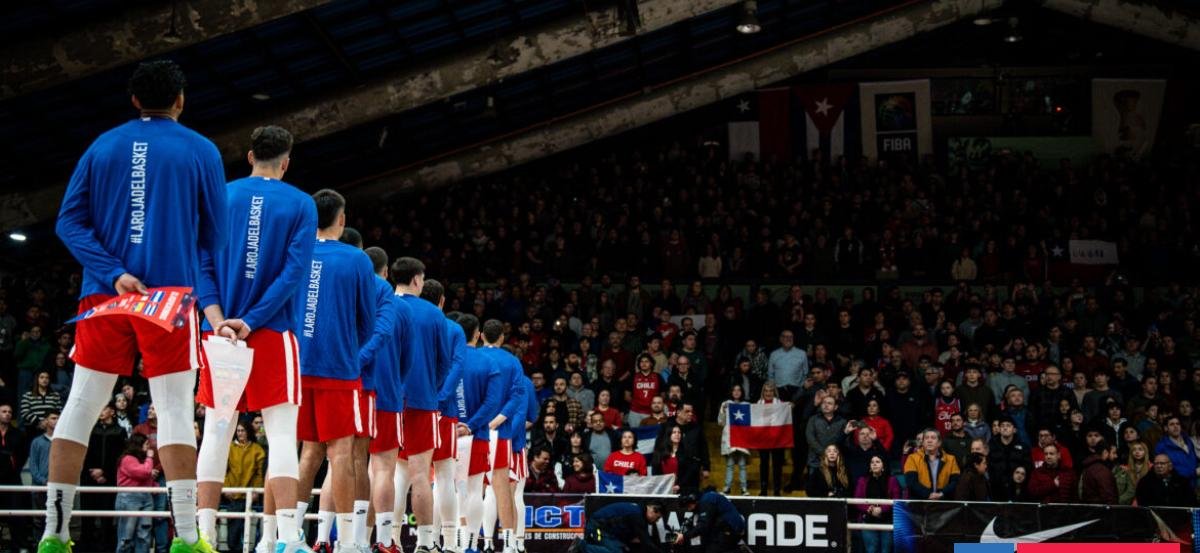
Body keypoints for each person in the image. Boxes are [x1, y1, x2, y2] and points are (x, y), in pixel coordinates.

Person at [47, 59, 228, 553]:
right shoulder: (201, 150)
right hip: (170, 297)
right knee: (172, 410)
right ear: (181, 100)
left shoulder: (101, 145)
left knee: (81, 404)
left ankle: (53, 534)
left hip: (106, 296)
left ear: (133, 100)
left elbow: (69, 223)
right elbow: (216, 235)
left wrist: (113, 272)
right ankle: (188, 539)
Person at [191, 125, 316, 553]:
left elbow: (200, 263)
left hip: (218, 333)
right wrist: (251, 320)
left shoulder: (220, 195)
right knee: (282, 436)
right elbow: (294, 273)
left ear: (249, 157)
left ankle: (201, 538)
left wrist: (218, 318)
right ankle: (287, 539)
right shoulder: (301, 203)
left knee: (215, 434)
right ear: (286, 162)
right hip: (271, 334)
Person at [291, 189, 377, 553]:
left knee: (301, 455)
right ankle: (347, 543)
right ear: (341, 220)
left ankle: (285, 536)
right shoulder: (357, 260)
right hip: (338, 368)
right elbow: (368, 322)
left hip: (296, 365)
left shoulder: (294, 251)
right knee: (340, 454)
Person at [392, 256, 453, 553]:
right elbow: (444, 363)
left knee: (383, 473)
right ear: (418, 279)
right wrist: (431, 386)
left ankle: (384, 539)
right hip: (422, 400)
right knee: (419, 475)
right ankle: (426, 542)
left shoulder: (383, 306)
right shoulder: (433, 314)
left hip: (386, 401)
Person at [473, 319, 529, 553]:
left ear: (482, 336)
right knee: (503, 488)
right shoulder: (512, 361)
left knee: (473, 488)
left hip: (472, 430)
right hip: (501, 434)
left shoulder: (472, 356)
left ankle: (467, 542)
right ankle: (508, 545)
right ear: (502, 338)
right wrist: (499, 419)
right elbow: (517, 395)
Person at [222, 422, 265, 553]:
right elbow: (223, 470)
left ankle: (237, 548)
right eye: (238, 431)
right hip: (231, 492)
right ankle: (235, 548)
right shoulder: (229, 448)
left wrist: (256, 491)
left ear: (248, 432)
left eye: (243, 430)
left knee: (242, 525)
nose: (240, 433)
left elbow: (259, 473)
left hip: (249, 493)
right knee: (234, 524)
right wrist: (225, 488)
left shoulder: (257, 450)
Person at [116, 433, 158, 553]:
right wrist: (150, 458)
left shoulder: (142, 460)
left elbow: (144, 476)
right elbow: (142, 473)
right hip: (130, 497)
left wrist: (155, 486)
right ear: (138, 445)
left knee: (144, 534)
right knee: (126, 536)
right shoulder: (127, 459)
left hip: (146, 497)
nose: (148, 447)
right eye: (146, 444)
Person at [853, 454, 901, 553]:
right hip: (868, 520)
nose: (874, 464)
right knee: (871, 550)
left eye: (878, 462)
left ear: (883, 465)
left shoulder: (892, 480)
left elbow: (896, 499)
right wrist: (870, 509)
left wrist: (881, 509)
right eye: (872, 462)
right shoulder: (862, 480)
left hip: (887, 520)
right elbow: (857, 500)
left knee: (886, 550)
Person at [677, 490, 747, 553]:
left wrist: (684, 536)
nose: (688, 509)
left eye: (688, 506)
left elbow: (703, 525)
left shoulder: (706, 501)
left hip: (730, 528)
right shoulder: (706, 499)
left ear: (693, 500)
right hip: (729, 528)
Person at [581, 501, 665, 553]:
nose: (656, 521)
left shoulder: (638, 512)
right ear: (653, 510)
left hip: (606, 531)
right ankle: (581, 547)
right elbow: (646, 542)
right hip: (597, 528)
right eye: (657, 517)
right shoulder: (636, 515)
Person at [903, 429, 961, 499]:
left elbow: (955, 482)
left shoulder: (951, 459)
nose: (929, 441)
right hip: (920, 503)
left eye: (933, 438)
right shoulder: (912, 458)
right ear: (923, 442)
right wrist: (928, 494)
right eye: (926, 438)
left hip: (944, 503)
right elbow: (911, 482)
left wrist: (942, 493)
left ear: (939, 443)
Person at [756, 382, 789, 496]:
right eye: (766, 390)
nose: (768, 393)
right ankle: (763, 489)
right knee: (763, 464)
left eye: (770, 391)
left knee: (777, 465)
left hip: (777, 439)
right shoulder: (758, 404)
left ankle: (776, 489)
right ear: (763, 392)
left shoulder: (781, 404)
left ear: (774, 392)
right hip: (763, 439)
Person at [717, 385, 750, 495]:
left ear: (742, 392)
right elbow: (720, 422)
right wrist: (723, 411)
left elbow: (752, 422)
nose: (736, 392)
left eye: (739, 390)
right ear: (731, 392)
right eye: (734, 390)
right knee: (730, 464)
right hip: (729, 437)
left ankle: (744, 489)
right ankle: (727, 488)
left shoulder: (747, 405)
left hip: (742, 438)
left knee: (742, 464)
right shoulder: (726, 404)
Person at [652, 425, 700, 494]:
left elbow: (689, 473)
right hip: (663, 489)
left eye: (679, 432)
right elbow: (655, 472)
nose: (677, 434)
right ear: (668, 435)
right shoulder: (660, 452)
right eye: (674, 432)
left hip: (682, 489)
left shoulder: (686, 452)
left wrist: (679, 486)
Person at [1153, 415, 1199, 485]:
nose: (1176, 426)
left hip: (1195, 483)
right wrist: (1194, 472)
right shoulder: (1161, 446)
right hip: (1178, 486)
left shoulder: (1188, 440)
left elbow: (1193, 459)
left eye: (1178, 424)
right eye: (1172, 424)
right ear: (1166, 428)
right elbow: (1163, 470)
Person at [20, 369, 62, 435]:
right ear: (37, 379)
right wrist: (39, 422)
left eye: (47, 378)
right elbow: (25, 412)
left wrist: (48, 422)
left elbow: (58, 410)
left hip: (51, 428)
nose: (44, 380)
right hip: (33, 429)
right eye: (42, 377)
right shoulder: (27, 395)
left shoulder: (55, 395)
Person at [1078, 439, 1118, 505]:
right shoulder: (1101, 471)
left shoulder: (1090, 467)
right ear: (1105, 452)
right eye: (1113, 453)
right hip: (1102, 513)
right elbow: (1109, 499)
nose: (1116, 456)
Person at [1114, 441, 1150, 505]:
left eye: (1140, 449)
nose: (1137, 452)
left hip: (1145, 501)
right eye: (1134, 450)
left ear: (1145, 452)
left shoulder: (1151, 468)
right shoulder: (1124, 469)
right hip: (1127, 502)